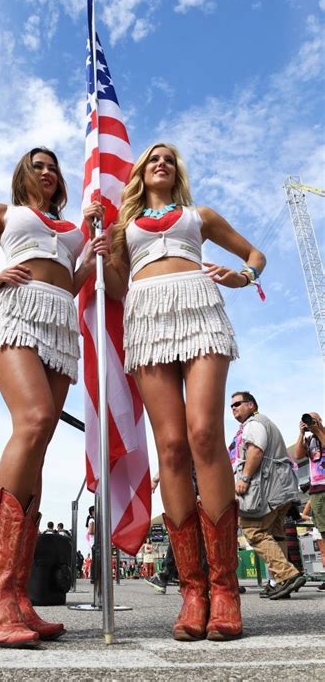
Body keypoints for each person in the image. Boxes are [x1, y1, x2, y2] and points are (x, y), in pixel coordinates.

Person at [84, 142, 266, 642]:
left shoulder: (199, 215)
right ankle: (193, 590)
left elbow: (256, 255)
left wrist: (242, 275)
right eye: (151, 159)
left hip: (200, 309)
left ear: (176, 171)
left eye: (168, 158)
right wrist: (104, 252)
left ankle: (225, 588)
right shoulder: (124, 227)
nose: (160, 163)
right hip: (146, 317)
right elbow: (118, 289)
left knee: (205, 432)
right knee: (170, 446)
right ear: (141, 172)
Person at [0, 147, 98, 648]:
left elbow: (74, 285)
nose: (49, 171)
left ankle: (17, 594)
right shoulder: (3, 213)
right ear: (23, 174)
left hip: (60, 320)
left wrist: (93, 251)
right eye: (39, 164)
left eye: (54, 166)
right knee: (32, 421)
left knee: (42, 442)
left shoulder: (75, 229)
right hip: (16, 308)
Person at [231, 391, 306, 599]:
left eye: (238, 403)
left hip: (268, 487)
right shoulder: (264, 423)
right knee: (275, 533)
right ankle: (277, 582)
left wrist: (244, 478)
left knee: (253, 529)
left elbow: (256, 450)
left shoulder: (254, 424)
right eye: (232, 406)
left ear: (252, 405)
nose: (234, 408)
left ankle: (287, 575)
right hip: (282, 488)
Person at [294, 412, 325, 590]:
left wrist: (317, 428)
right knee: (323, 531)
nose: (309, 423)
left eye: (313, 420)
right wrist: (301, 433)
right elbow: (298, 455)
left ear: (319, 420)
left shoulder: (322, 432)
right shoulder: (309, 440)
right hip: (316, 490)